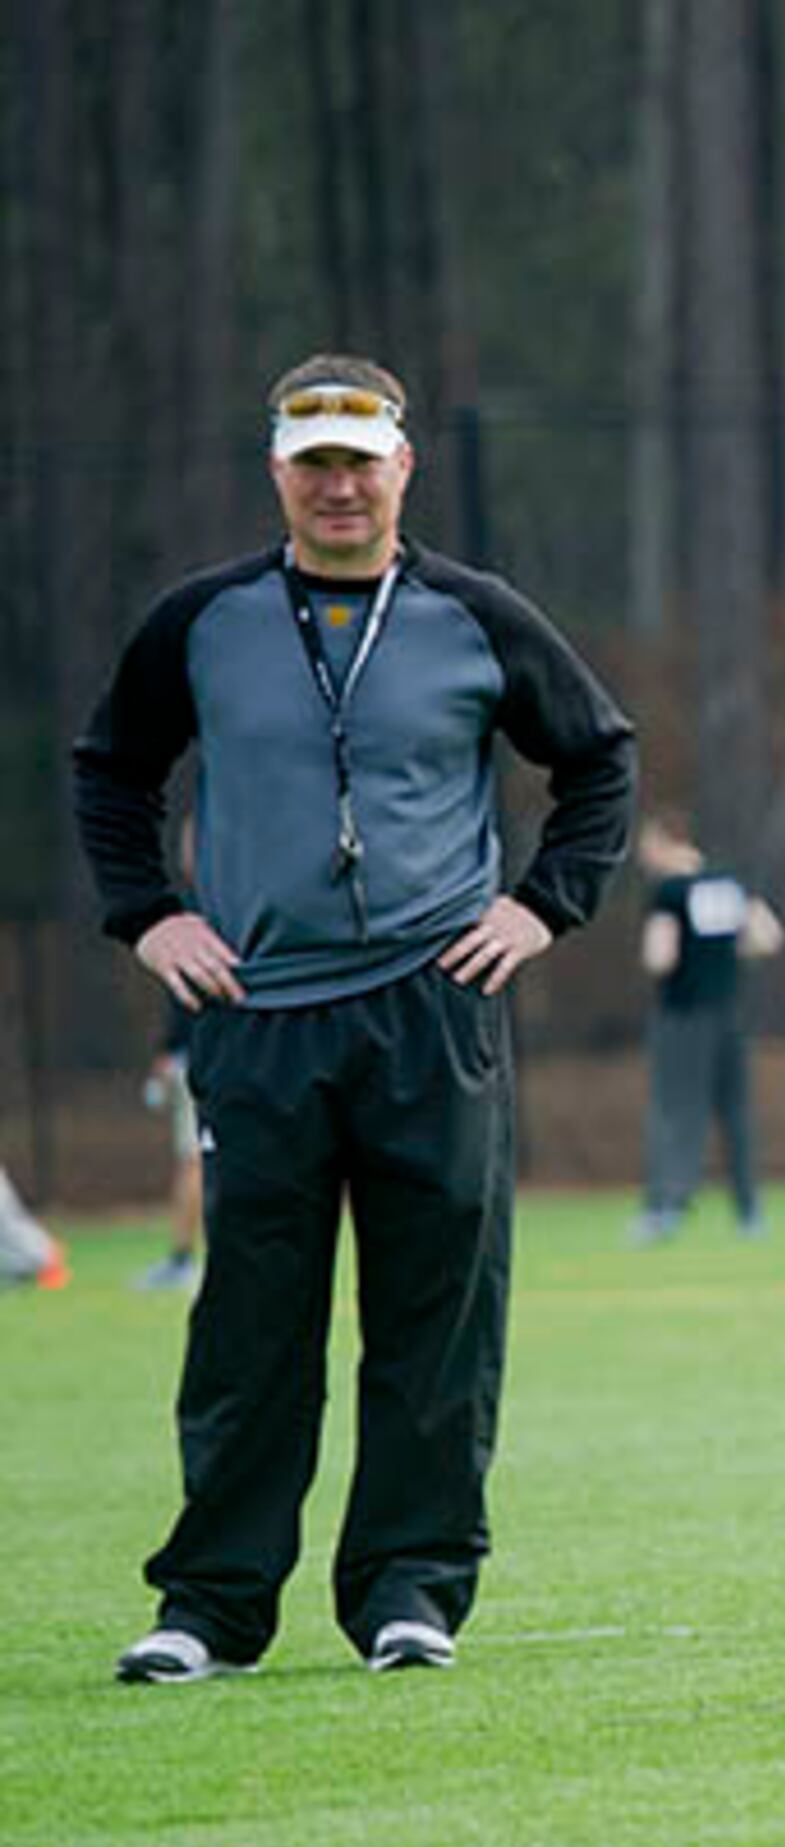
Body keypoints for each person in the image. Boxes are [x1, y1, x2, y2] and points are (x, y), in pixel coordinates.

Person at [71, 351, 637, 1683]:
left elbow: (600, 759)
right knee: (251, 1321)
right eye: (313, 461)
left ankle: (409, 1589)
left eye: (359, 459)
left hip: (432, 1012)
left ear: (403, 468)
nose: (338, 484)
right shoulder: (201, 622)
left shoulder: (474, 616)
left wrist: (541, 907)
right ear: (278, 471)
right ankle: (210, 1604)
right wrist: (149, 915)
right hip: (260, 1017)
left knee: (436, 1313)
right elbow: (112, 769)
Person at [631, 812, 785, 1244]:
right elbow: (767, 937)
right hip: (729, 1014)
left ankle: (666, 1207)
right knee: (736, 1111)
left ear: (665, 842)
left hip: (682, 1015)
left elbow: (659, 956)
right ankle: (749, 1211)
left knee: (675, 1111)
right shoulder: (729, 883)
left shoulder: (669, 893)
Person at [137, 999, 205, 1292]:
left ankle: (182, 1260)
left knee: (194, 1163)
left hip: (197, 1059)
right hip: (225, 1054)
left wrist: (168, 1051)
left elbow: (188, 999)